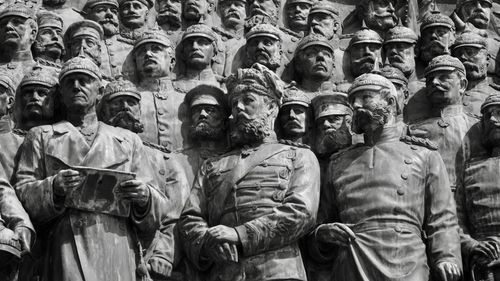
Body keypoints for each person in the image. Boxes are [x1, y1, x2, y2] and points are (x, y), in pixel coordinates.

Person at [14, 56, 168, 281]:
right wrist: (53, 188)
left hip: (116, 243)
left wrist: (144, 197)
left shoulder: (128, 140)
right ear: (61, 93)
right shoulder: (41, 136)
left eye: (84, 80)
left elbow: (160, 206)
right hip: (65, 244)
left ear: (99, 90)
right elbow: (22, 193)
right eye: (70, 82)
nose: (77, 86)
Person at [309, 71, 462, 281]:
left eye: (366, 98)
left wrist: (446, 257)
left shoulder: (424, 155)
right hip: (352, 261)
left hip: (405, 261)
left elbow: (442, 216)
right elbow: (320, 221)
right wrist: (322, 234)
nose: (357, 105)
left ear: (390, 101)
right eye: (353, 100)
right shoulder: (338, 162)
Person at [179, 63, 320, 281]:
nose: (239, 109)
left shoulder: (298, 156)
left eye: (248, 101)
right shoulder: (213, 165)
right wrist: (208, 242)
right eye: (234, 103)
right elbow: (191, 218)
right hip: (226, 272)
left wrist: (239, 234)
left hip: (278, 272)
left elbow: (301, 212)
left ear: (272, 107)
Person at [98, 78, 190, 281]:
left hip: (148, 257)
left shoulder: (165, 159)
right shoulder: (96, 151)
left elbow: (179, 214)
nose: (125, 108)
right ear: (102, 111)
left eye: (131, 102)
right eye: (116, 102)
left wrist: (164, 255)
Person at [408, 55, 478, 193]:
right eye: (429, 80)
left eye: (443, 77)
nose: (434, 82)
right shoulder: (412, 131)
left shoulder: (478, 127)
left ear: (462, 85)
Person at [455, 94, 500, 280]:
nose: (492, 119)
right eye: (487, 115)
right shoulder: (469, 169)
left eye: (499, 113)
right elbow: (455, 219)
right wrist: (472, 245)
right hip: (482, 261)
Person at [133, 30, 186, 151]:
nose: (148, 54)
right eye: (142, 52)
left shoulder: (186, 99)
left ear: (172, 61)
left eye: (156, 49)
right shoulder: (130, 101)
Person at [175, 84, 229, 185]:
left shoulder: (233, 158)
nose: (202, 114)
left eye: (210, 110)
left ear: (223, 118)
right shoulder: (177, 161)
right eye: (196, 111)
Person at [83, 0, 135, 81]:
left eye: (114, 11)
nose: (109, 14)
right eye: (101, 10)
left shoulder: (132, 49)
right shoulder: (83, 47)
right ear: (88, 16)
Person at [451, 30, 497, 117]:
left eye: (470, 52)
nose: (463, 58)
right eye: (459, 54)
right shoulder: (444, 95)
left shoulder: (497, 94)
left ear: (487, 59)